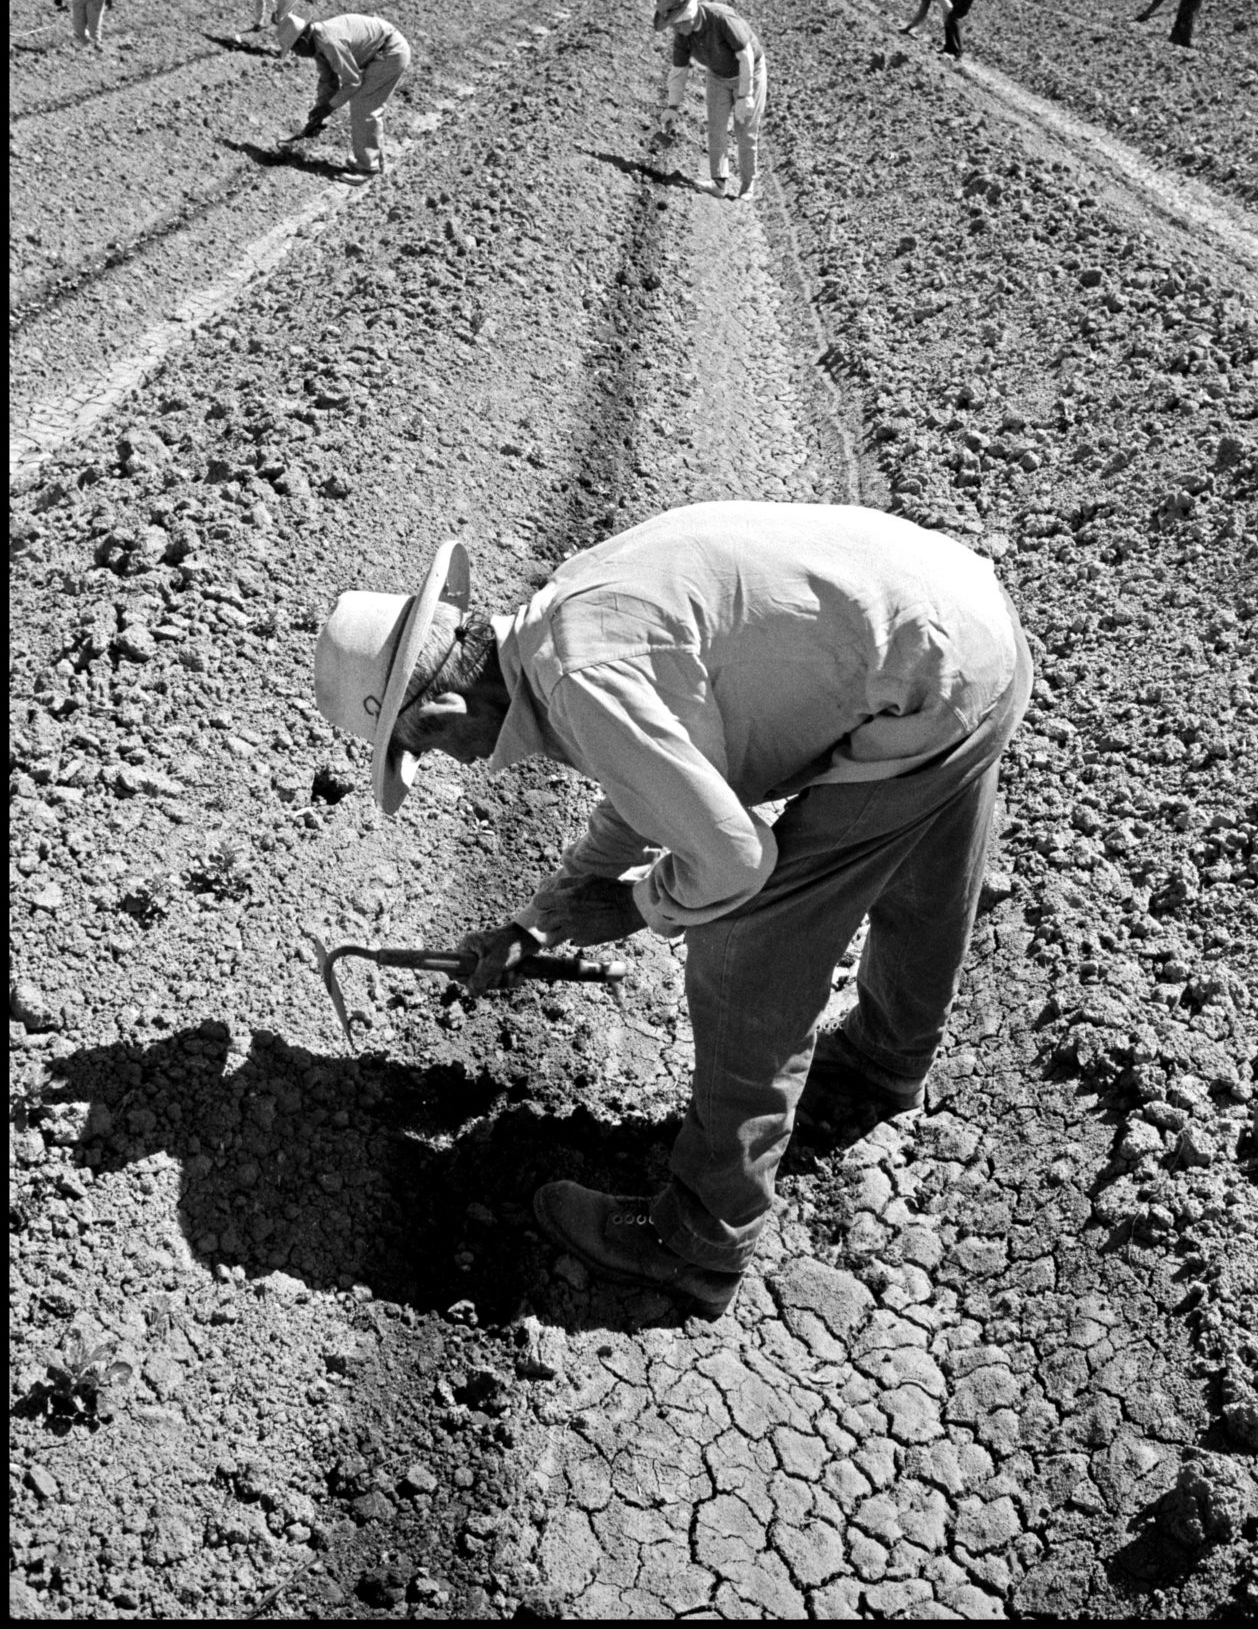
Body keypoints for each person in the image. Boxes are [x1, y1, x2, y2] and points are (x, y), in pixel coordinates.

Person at [314, 503, 1033, 1320]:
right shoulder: (564, 619)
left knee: (742, 942)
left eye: (424, 749)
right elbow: (648, 780)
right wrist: (535, 925)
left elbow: (735, 860)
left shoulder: (581, 683)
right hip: (970, 632)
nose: (451, 762)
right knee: (925, 845)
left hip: (924, 689)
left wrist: (636, 904)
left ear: (445, 713)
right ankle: (885, 1060)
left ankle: (699, 1237)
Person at [654, 0, 767, 200]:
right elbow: (678, 71)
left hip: (749, 71)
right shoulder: (683, 36)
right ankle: (718, 183)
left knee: (745, 130)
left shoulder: (721, 18)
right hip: (717, 75)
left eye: (676, 23)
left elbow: (745, 55)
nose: (675, 28)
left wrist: (745, 95)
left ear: (688, 16)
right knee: (716, 127)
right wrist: (672, 107)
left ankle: (747, 185)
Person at [278, 12, 411, 178]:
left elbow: (353, 82)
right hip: (382, 52)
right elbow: (328, 80)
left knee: (364, 104)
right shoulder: (318, 42)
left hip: (390, 52)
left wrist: (328, 108)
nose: (296, 54)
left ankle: (367, 168)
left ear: (303, 40)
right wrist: (319, 111)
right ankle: (373, 160)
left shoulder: (329, 42)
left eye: (294, 49)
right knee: (364, 104)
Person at [901, 0, 978, 59]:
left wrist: (950, 17)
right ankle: (949, 48)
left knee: (952, 16)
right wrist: (909, 27)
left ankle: (957, 52)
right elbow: (922, 11)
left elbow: (949, 8)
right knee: (947, 17)